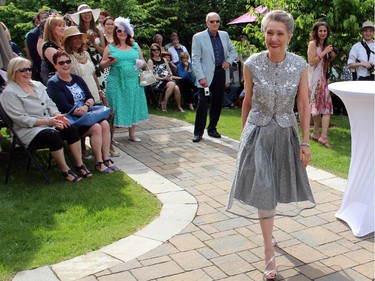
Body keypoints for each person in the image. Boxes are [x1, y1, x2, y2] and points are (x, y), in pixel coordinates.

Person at [227, 10, 315, 280]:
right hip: (258, 133)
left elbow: (303, 104)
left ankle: (269, 231)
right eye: (269, 32)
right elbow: (248, 101)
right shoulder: (251, 63)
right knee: (264, 187)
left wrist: (305, 141)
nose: (273, 38)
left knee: (275, 186)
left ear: (289, 36)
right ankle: (269, 253)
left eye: (279, 33)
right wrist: (243, 138)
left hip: (285, 134)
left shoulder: (300, 65)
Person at [0, 57, 93, 182]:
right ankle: (65, 170)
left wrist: (56, 115)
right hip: (27, 130)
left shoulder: (37, 85)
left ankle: (79, 164)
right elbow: (21, 119)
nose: (27, 72)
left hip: (48, 123)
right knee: (52, 135)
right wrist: (49, 121)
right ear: (13, 72)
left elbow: (49, 103)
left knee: (69, 128)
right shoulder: (9, 93)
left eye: (29, 69)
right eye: (23, 70)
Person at [47, 51, 117, 173]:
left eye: (68, 61)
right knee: (96, 127)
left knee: (105, 124)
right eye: (61, 63)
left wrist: (86, 106)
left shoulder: (77, 79)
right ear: (55, 65)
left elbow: (90, 96)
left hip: (85, 113)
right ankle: (98, 162)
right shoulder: (54, 83)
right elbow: (62, 105)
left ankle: (105, 159)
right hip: (72, 119)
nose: (65, 65)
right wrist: (78, 111)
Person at [101, 17, 149, 142]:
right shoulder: (110, 47)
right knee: (116, 107)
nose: (122, 33)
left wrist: (140, 63)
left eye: (124, 31)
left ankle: (132, 134)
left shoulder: (135, 46)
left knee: (133, 105)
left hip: (133, 82)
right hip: (116, 82)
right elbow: (102, 64)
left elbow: (143, 61)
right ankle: (110, 137)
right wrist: (110, 62)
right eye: (119, 31)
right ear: (115, 33)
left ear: (128, 32)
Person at [191, 12, 237, 142]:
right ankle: (198, 133)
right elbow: (195, 59)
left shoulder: (224, 35)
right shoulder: (198, 37)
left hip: (220, 72)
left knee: (217, 102)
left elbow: (233, 50)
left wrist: (228, 61)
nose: (215, 24)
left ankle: (212, 128)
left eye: (217, 21)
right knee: (203, 103)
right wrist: (200, 77)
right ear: (207, 23)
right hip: (205, 75)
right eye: (212, 21)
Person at [307, 21, 336, 147]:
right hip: (316, 80)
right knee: (326, 108)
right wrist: (324, 52)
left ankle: (316, 133)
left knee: (319, 107)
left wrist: (331, 55)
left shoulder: (325, 45)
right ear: (316, 32)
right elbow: (311, 62)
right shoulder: (313, 44)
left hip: (324, 78)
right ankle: (323, 136)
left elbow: (324, 62)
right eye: (320, 31)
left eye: (325, 31)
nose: (323, 33)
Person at [71, 4, 106, 88]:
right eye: (84, 13)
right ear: (80, 16)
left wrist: (94, 43)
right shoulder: (77, 31)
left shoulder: (98, 31)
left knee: (102, 86)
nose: (87, 15)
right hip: (84, 61)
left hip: (98, 61)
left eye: (88, 12)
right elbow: (77, 50)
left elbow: (104, 51)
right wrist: (88, 42)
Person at [147, 43, 184, 112]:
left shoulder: (164, 59)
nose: (156, 51)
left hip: (167, 80)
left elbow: (169, 71)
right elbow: (151, 75)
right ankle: (165, 103)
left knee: (176, 88)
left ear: (160, 50)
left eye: (157, 49)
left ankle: (176, 106)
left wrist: (169, 76)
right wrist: (163, 78)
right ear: (151, 51)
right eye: (154, 50)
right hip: (157, 81)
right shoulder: (150, 61)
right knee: (173, 85)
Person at [40, 15, 65, 85]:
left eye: (63, 26)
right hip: (58, 82)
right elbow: (61, 63)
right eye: (59, 26)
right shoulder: (48, 46)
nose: (63, 28)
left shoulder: (62, 43)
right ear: (51, 29)